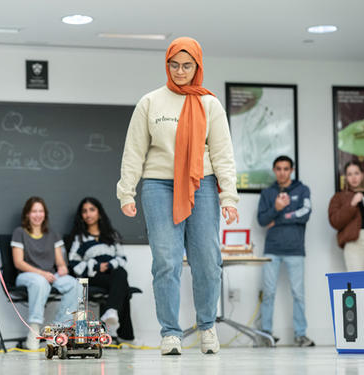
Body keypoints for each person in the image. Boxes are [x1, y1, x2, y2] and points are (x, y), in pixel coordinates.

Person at [117, 37, 239, 355]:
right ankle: (171, 333)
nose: (180, 71)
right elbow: (134, 150)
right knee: (166, 263)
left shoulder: (209, 104)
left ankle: (207, 327)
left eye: (187, 65)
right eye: (174, 65)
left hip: (203, 186)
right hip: (159, 186)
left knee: (208, 262)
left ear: (197, 66)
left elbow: (224, 154)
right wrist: (125, 192)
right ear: (167, 65)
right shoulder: (150, 102)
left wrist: (230, 198)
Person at [257, 155, 315, 347]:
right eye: (278, 169)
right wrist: (276, 207)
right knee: (269, 293)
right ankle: (266, 334)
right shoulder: (267, 193)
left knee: (298, 294)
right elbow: (262, 220)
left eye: (286, 168)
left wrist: (279, 218)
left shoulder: (302, 189)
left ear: (291, 170)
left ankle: (300, 335)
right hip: (272, 249)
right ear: (274, 170)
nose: (282, 172)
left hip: (295, 250)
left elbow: (305, 214)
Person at [11, 197, 82, 350]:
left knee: (74, 285)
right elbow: (19, 263)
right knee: (40, 281)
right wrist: (42, 273)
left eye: (41, 211)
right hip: (28, 275)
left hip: (50, 275)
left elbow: (60, 263)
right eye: (34, 211)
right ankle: (34, 330)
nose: (38, 215)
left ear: (45, 214)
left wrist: (63, 268)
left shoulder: (52, 234)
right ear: (27, 214)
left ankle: (59, 330)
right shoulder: (19, 233)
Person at [67, 197, 134, 342]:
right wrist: (97, 266)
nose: (88, 214)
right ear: (81, 216)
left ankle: (111, 311)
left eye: (92, 210)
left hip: (112, 273)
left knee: (121, 274)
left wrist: (108, 265)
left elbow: (122, 258)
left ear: (99, 213)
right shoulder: (80, 238)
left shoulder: (112, 235)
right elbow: (73, 263)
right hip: (92, 275)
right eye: (84, 211)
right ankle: (125, 335)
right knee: (124, 288)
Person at [328, 160, 364, 271]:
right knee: (358, 282)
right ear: (345, 177)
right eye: (349, 174)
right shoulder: (339, 197)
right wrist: (352, 204)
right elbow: (335, 221)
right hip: (354, 243)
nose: (353, 178)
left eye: (356, 173)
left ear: (362, 175)